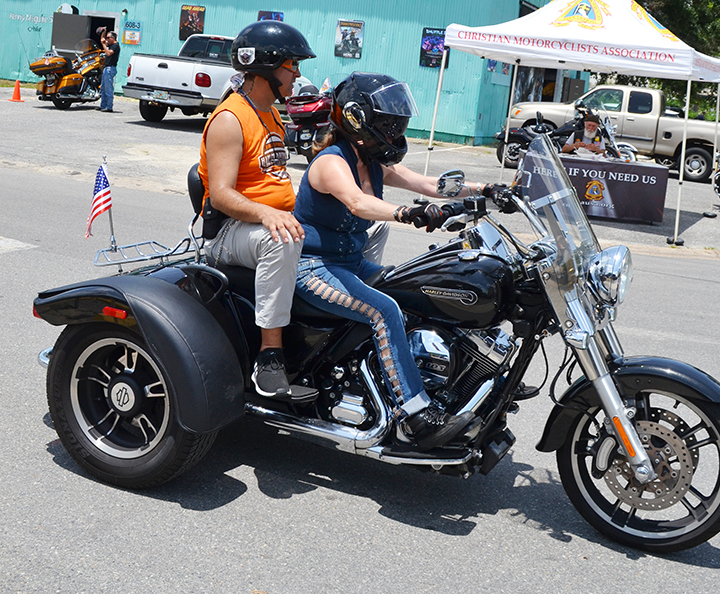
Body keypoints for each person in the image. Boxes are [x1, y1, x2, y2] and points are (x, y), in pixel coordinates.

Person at [292, 72, 504, 451]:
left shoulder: (371, 161)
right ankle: (416, 411)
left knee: (410, 290)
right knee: (384, 310)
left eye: (397, 124)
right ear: (359, 121)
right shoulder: (331, 162)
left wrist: (486, 188)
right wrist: (407, 213)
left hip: (351, 263)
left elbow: (427, 184)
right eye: (388, 124)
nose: (394, 131)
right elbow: (359, 204)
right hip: (314, 267)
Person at [198, 21, 316, 401]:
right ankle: (270, 356)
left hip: (267, 222)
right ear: (267, 67)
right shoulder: (231, 119)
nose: (297, 74)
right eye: (292, 65)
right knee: (279, 239)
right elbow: (220, 195)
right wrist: (267, 214)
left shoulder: (271, 115)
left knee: (364, 225)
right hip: (232, 231)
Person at [99, 30, 120, 112]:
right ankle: (103, 105)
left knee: (108, 88)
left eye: (108, 38)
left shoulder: (115, 46)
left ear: (113, 38)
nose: (107, 39)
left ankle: (109, 106)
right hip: (106, 68)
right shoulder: (111, 45)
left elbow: (108, 53)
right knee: (103, 88)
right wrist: (102, 34)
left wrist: (104, 44)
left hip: (110, 68)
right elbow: (103, 41)